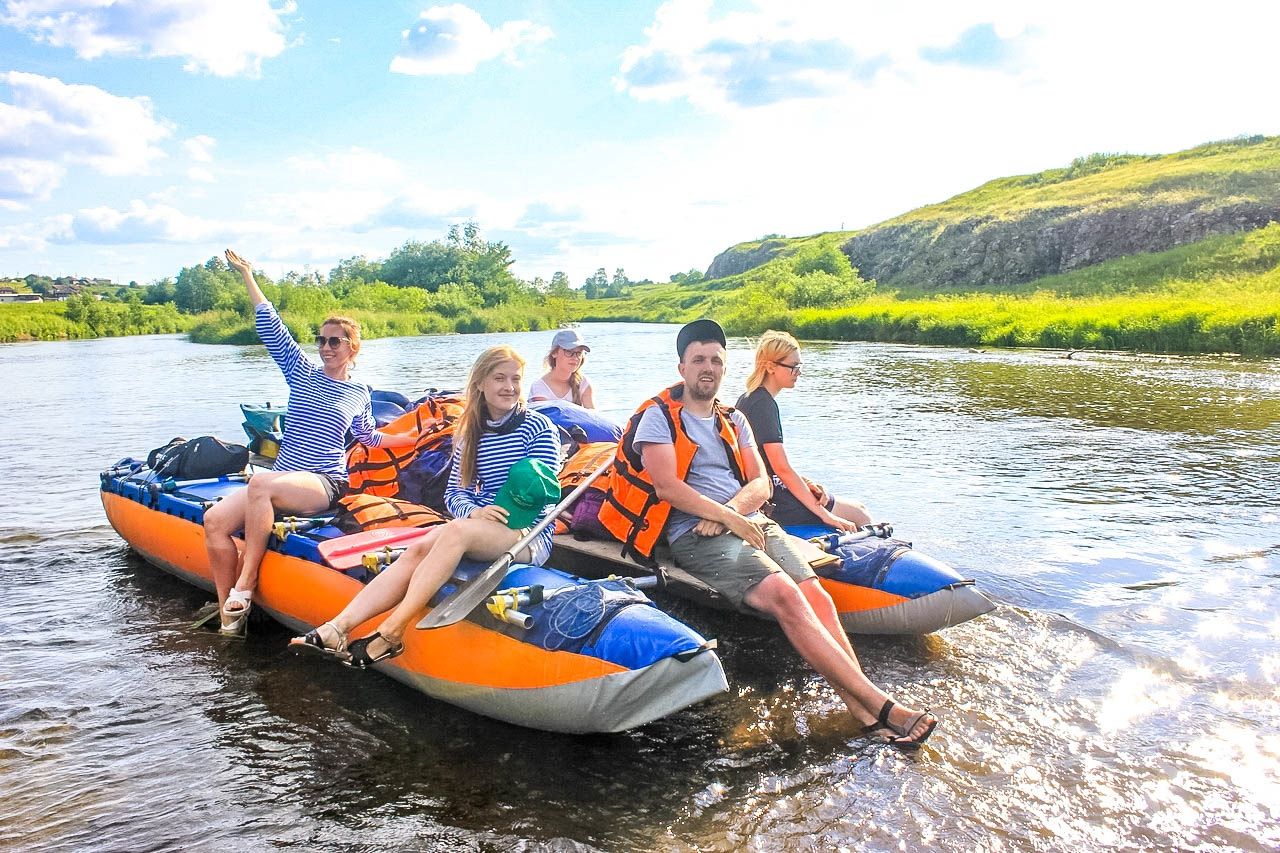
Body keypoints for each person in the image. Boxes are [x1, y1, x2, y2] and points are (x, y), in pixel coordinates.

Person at [599, 319, 937, 749]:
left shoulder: (734, 418)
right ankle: (885, 707)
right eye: (698, 359)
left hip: (745, 522)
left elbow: (761, 483)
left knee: (818, 596)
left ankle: (863, 713)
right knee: (786, 596)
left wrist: (732, 515)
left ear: (724, 366)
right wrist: (726, 519)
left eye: (716, 360)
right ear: (682, 366)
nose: (708, 367)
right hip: (693, 532)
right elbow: (668, 487)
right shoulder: (657, 418)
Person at [289, 345, 562, 666]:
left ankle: (391, 632)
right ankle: (338, 627)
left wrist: (493, 519)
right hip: (478, 525)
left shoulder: (539, 429)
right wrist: (474, 512)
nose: (509, 387)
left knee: (457, 533)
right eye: (499, 378)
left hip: (525, 533)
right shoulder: (470, 431)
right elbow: (455, 495)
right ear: (480, 384)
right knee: (418, 550)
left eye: (515, 379)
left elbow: (543, 500)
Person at [205, 249, 417, 635]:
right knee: (215, 520)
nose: (325, 347)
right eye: (321, 340)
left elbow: (369, 437)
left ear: (352, 347)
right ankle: (228, 612)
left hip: (323, 482)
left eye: (334, 342)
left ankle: (246, 581)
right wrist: (247, 275)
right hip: (283, 476)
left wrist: (410, 438)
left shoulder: (359, 392)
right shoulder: (302, 373)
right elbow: (272, 327)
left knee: (260, 483)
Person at [736, 330, 871, 532]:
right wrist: (827, 516)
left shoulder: (751, 398)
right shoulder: (763, 404)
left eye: (799, 366)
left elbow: (772, 463)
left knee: (857, 509)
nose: (798, 372)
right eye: (793, 367)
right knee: (860, 514)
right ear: (771, 367)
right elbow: (781, 468)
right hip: (773, 500)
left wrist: (806, 482)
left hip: (768, 488)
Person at [528, 329, 595, 408]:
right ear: (554, 353)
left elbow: (593, 418)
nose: (575, 358)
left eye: (579, 353)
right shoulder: (539, 387)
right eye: (569, 351)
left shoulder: (584, 384)